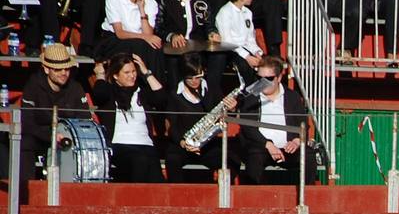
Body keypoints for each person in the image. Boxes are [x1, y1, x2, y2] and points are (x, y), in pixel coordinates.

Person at [18, 42, 87, 190]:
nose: (64, 73)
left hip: (69, 138)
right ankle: (25, 190)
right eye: (58, 69)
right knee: (24, 143)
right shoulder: (33, 86)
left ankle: (77, 189)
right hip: (40, 136)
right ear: (46, 69)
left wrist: (67, 135)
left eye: (67, 69)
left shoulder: (75, 88)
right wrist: (51, 136)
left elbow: (84, 119)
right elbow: (27, 123)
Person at [235, 56, 313, 185]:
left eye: (269, 78)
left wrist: (296, 140)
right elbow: (248, 128)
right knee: (255, 156)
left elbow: (303, 124)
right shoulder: (251, 97)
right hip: (261, 147)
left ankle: (308, 197)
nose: (263, 82)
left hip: (287, 148)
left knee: (308, 155)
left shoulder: (292, 96)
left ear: (279, 78)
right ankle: (257, 199)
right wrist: (268, 145)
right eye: (260, 78)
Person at [91, 51, 166, 183]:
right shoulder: (109, 92)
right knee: (140, 161)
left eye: (133, 71)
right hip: (120, 144)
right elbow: (99, 94)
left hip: (145, 144)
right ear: (115, 75)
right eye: (127, 73)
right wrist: (100, 75)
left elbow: (161, 98)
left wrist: (146, 72)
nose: (132, 76)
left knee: (154, 170)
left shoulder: (141, 92)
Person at [164, 53, 238, 183]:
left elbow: (224, 116)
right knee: (172, 159)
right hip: (184, 144)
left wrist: (231, 109)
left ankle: (222, 199)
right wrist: (184, 143)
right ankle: (177, 197)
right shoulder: (174, 94)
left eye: (198, 76)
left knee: (232, 161)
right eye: (190, 77)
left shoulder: (212, 88)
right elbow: (172, 125)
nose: (194, 81)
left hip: (208, 145)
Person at [98, 0, 162, 74]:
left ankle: (156, 84)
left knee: (155, 47)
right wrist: (144, 37)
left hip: (139, 39)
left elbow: (149, 34)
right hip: (114, 39)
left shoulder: (151, 3)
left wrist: (141, 8)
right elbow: (120, 33)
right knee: (140, 45)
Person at [211, 0, 262, 93]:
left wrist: (257, 52)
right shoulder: (225, 12)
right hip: (232, 51)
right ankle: (250, 93)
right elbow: (227, 41)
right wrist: (247, 57)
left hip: (245, 50)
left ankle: (259, 93)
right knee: (244, 64)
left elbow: (250, 38)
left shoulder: (247, 13)